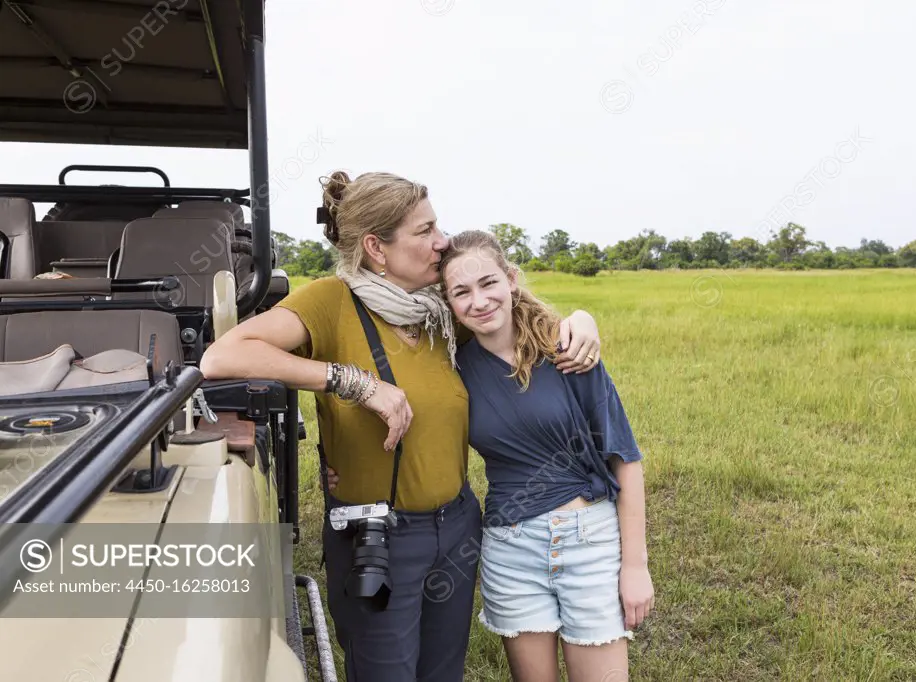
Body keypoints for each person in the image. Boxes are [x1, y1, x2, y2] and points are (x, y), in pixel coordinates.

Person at [199, 170, 603, 682]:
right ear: (377, 247)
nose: (444, 242)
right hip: (378, 537)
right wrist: (356, 384)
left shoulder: (442, 312)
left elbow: (525, 316)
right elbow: (223, 356)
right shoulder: (330, 302)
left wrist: (583, 319)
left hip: (457, 526)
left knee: (442, 672)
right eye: (426, 231)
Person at [439, 229, 653, 682]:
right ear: (449, 301)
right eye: (462, 291)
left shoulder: (568, 350)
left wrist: (635, 567)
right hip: (511, 550)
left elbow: (625, 460)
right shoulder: (454, 369)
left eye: (488, 283)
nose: (479, 301)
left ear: (511, 279)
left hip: (590, 543)